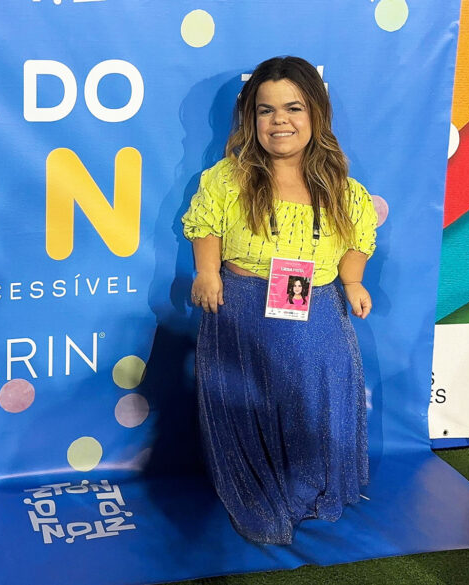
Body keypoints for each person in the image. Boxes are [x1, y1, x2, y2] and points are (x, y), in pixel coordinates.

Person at [181, 56, 377, 544]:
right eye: (265, 110)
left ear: (316, 115)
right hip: (241, 310)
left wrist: (352, 282)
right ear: (250, 119)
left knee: (309, 401)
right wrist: (207, 272)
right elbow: (204, 225)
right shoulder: (227, 178)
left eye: (293, 108)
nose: (280, 121)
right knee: (250, 402)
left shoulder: (342, 188)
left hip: (316, 312)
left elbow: (359, 238)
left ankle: (308, 488)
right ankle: (259, 488)